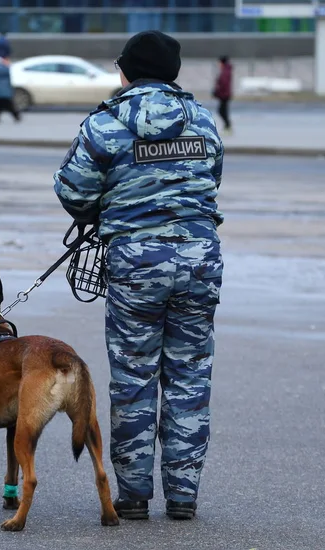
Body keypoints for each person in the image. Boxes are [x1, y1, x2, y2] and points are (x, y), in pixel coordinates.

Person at [53, 30, 224, 521]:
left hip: (135, 264)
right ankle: (184, 497)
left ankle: (131, 496)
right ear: (173, 72)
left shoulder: (103, 125)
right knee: (191, 377)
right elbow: (211, 180)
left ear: (124, 70)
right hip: (199, 260)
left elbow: (74, 193)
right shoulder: (203, 122)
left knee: (133, 377)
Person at [0, 56, 20, 123]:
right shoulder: (3, 68)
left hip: (2, 90)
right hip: (4, 91)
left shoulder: (0, 68)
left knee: (0, 106)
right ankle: (16, 116)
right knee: (9, 105)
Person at [213, 56, 233, 135]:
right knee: (223, 111)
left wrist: (217, 92)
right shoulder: (226, 70)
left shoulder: (225, 71)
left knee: (222, 111)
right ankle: (227, 126)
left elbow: (223, 84)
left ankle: (228, 127)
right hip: (225, 94)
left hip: (224, 95)